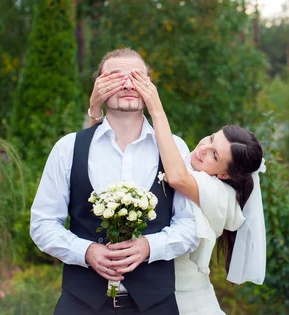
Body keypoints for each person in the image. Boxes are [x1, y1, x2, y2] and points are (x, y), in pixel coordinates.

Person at [30, 48, 199, 315]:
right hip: (80, 304)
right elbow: (42, 224)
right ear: (99, 87)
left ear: (150, 88)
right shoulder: (68, 148)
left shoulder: (174, 148)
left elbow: (190, 226)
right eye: (116, 77)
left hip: (156, 305)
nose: (129, 84)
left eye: (138, 77)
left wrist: (148, 246)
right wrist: (85, 252)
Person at [88, 68, 267, 314]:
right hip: (153, 296)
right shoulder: (182, 159)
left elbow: (175, 176)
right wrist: (96, 111)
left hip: (188, 301)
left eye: (215, 155)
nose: (204, 148)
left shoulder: (218, 192)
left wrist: (155, 107)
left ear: (225, 174)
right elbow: (102, 151)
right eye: (212, 138)